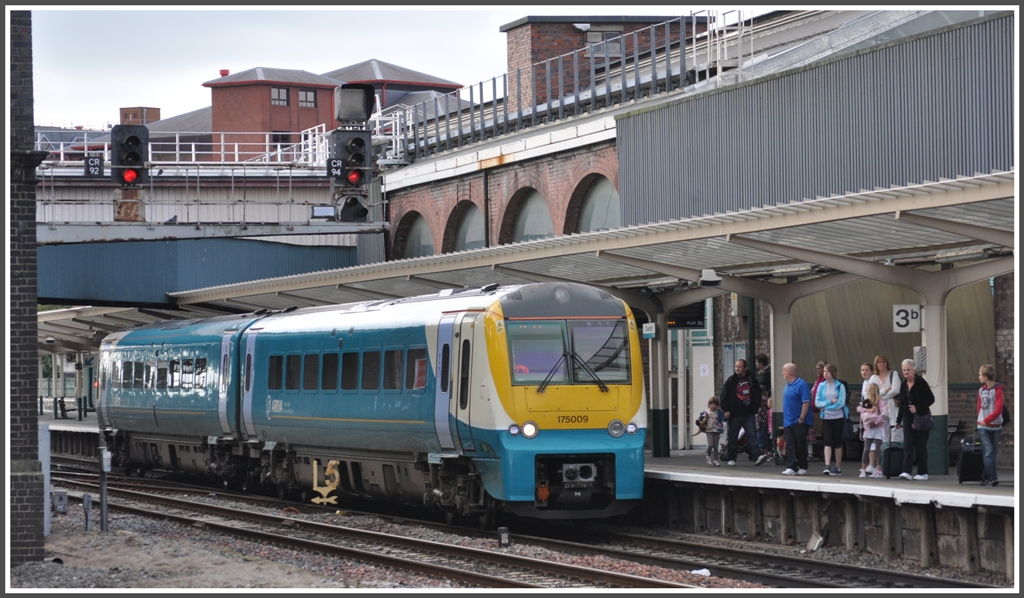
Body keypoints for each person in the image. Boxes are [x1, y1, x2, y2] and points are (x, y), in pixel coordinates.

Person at [720, 359, 768, 466]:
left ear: (745, 368)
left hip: (749, 413)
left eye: (739, 367)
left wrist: (755, 408)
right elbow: (724, 396)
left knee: (752, 435)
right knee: (733, 437)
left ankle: (757, 456)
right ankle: (731, 458)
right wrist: (726, 409)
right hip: (735, 414)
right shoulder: (731, 380)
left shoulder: (751, 379)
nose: (737, 369)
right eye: (736, 366)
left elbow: (757, 393)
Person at [896, 358, 934, 481]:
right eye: (904, 370)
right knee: (908, 444)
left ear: (914, 370)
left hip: (921, 417)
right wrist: (898, 420)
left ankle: (923, 472)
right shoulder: (903, 385)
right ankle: (906, 471)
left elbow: (931, 399)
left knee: (921, 445)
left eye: (908, 370)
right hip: (908, 417)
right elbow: (902, 403)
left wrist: (917, 407)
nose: (906, 372)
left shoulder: (921, 382)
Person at [814, 363, 848, 475]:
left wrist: (827, 407)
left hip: (838, 417)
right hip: (826, 417)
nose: (825, 373)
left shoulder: (840, 386)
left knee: (838, 441)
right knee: (827, 441)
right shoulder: (821, 386)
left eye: (827, 371)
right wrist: (829, 402)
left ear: (832, 373)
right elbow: (817, 403)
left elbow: (841, 402)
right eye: (824, 371)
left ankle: (838, 467)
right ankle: (827, 465)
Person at [781, 363, 811, 476]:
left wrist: (801, 418)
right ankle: (791, 466)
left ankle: (803, 465)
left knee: (800, 443)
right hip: (788, 420)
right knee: (790, 444)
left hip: (799, 420)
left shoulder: (801, 384)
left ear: (789, 372)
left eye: (784, 371)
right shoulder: (787, 385)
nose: (783, 373)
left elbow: (806, 403)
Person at [976, 364, 1004, 486]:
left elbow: (998, 409)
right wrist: (981, 420)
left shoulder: (997, 391)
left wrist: (986, 420)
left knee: (992, 453)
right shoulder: (981, 390)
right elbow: (979, 406)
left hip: (995, 425)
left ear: (986, 377)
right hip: (983, 426)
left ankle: (984, 477)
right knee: (988, 452)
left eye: (980, 375)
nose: (979, 378)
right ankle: (993, 478)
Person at [857, 382, 887, 478]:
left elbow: (883, 414)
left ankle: (879, 469)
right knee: (866, 449)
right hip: (869, 428)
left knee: (878, 449)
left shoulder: (881, 402)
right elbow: (859, 408)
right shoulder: (867, 402)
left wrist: (875, 422)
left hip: (877, 428)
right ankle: (863, 469)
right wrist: (868, 410)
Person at [872, 355, 902, 443]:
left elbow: (896, 390)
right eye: (879, 362)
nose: (882, 364)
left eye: (883, 361)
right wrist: (885, 390)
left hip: (893, 408)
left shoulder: (893, 374)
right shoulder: (874, 378)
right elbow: (873, 393)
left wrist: (881, 395)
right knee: (883, 437)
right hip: (880, 411)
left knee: (895, 436)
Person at [697, 397, 726, 467]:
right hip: (709, 430)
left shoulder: (719, 412)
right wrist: (700, 422)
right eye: (711, 404)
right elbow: (700, 419)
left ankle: (716, 460)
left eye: (715, 404)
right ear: (709, 405)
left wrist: (727, 416)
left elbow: (724, 419)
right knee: (710, 445)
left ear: (717, 405)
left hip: (717, 430)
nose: (713, 406)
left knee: (716, 446)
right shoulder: (706, 412)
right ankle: (708, 455)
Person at [754, 354, 773, 455]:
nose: (756, 364)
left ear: (760, 362)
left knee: (762, 433)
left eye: (756, 362)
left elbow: (763, 385)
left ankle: (764, 451)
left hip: (762, 416)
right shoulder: (765, 372)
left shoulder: (765, 374)